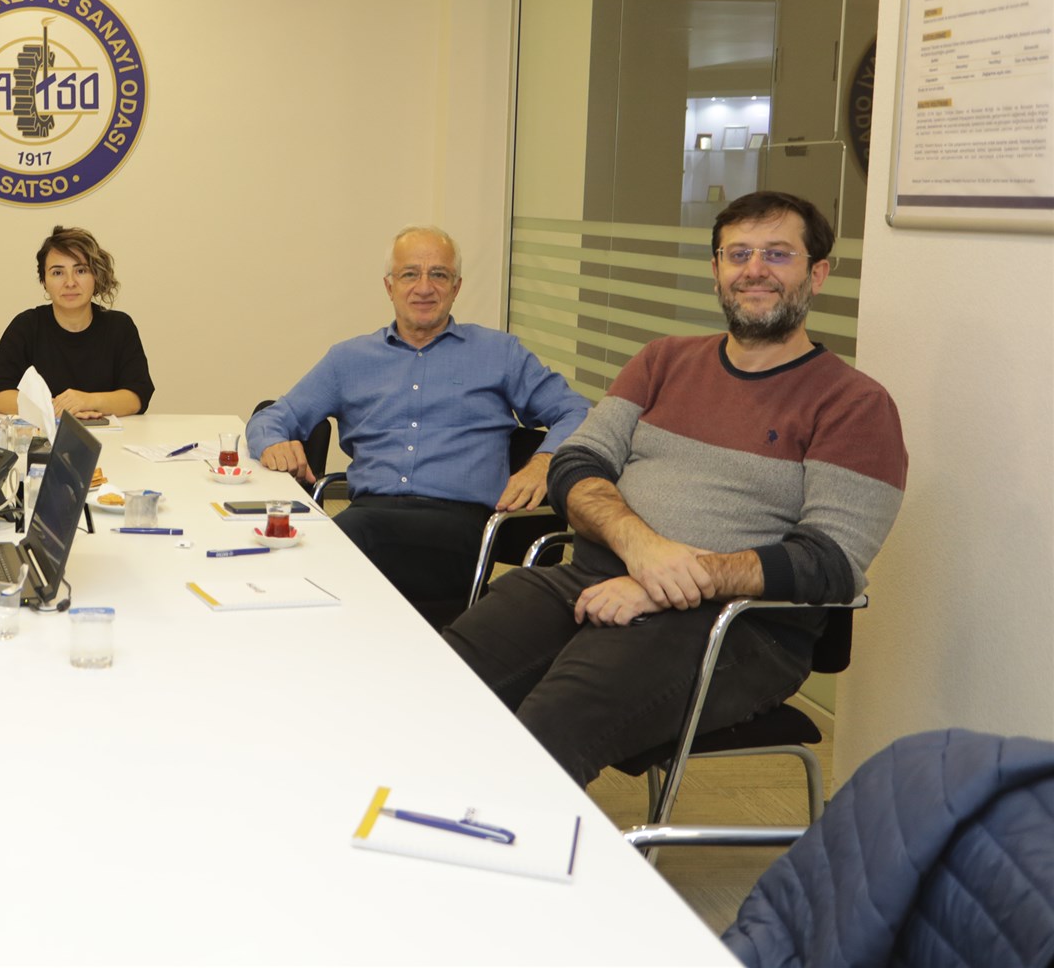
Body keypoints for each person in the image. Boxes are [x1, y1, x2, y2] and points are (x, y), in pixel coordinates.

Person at [444, 191, 907, 788]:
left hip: (735, 625)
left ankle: (492, 840)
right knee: (438, 684)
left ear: (817, 273)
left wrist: (665, 582)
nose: (755, 270)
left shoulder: (856, 404)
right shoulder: (662, 362)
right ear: (716, 270)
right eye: (738, 254)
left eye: (777, 254)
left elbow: (831, 563)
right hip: (594, 575)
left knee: (546, 729)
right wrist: (641, 548)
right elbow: (576, 463)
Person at [246, 225, 589, 623]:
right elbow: (272, 416)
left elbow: (577, 411)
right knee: (314, 555)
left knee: (329, 555)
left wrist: (545, 461)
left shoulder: (500, 354)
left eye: (438, 274)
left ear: (456, 287)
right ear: (389, 286)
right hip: (370, 514)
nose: (424, 287)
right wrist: (273, 442)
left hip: (457, 528)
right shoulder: (349, 360)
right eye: (410, 274)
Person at [0, 225, 154, 420]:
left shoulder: (120, 327)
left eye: (81, 270)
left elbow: (136, 396)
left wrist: (88, 401)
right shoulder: (26, 326)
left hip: (107, 435)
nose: (70, 282)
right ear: (44, 281)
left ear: (96, 276)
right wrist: (56, 408)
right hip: (42, 435)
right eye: (58, 273)